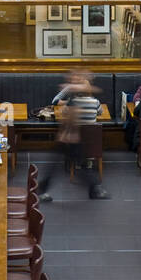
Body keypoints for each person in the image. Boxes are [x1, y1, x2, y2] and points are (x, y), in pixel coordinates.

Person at [37, 72, 110, 201]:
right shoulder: (95, 102)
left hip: (69, 137)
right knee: (80, 166)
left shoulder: (73, 102)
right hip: (86, 140)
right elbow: (100, 110)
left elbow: (63, 112)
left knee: (58, 165)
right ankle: (95, 189)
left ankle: (42, 189)